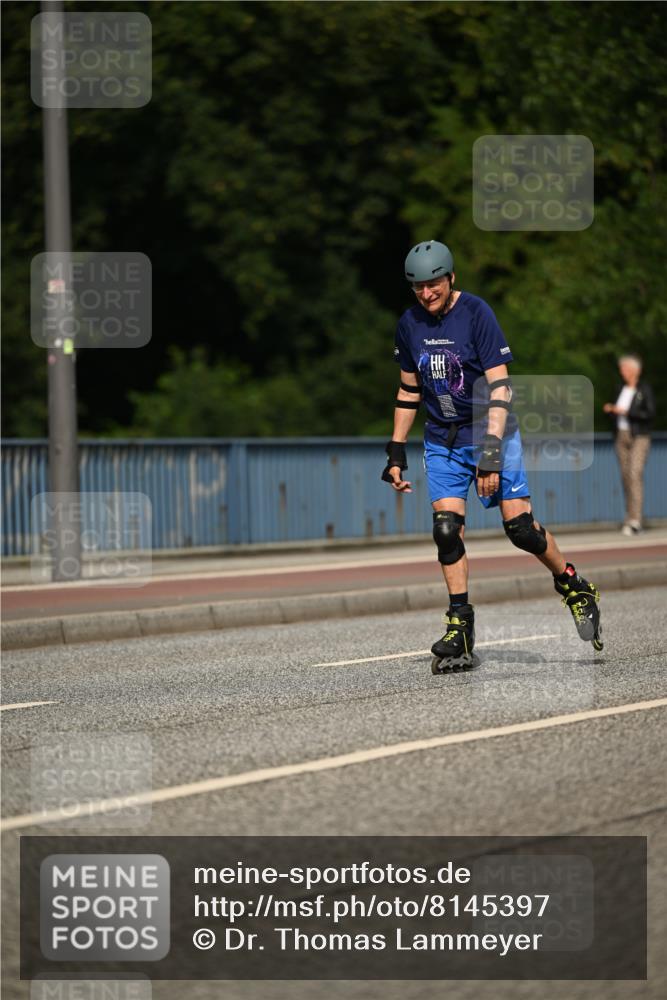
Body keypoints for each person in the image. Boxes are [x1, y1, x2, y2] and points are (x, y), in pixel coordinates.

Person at [382, 240, 602, 671]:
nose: (426, 295)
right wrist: (395, 450)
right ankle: (460, 626)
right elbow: (409, 390)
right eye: (418, 288)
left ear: (450, 278)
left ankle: (575, 586)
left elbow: (501, 387)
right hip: (441, 439)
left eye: (433, 285)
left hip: (490, 432)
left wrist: (490, 454)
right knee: (446, 531)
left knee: (520, 529)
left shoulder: (476, 313)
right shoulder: (409, 324)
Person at [603, 355, 654, 536]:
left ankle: (636, 520)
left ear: (634, 370)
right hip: (621, 435)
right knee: (626, 477)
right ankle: (629, 516)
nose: (622, 372)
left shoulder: (643, 390)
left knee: (634, 474)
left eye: (624, 369)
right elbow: (615, 412)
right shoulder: (620, 389)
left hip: (639, 435)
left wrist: (626, 412)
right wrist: (611, 410)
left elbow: (649, 413)